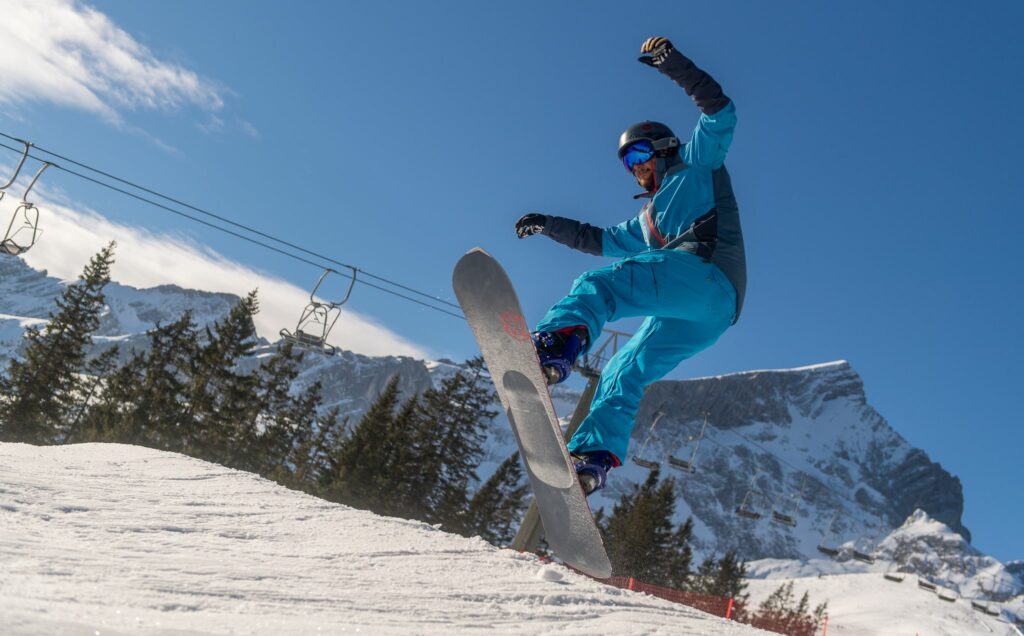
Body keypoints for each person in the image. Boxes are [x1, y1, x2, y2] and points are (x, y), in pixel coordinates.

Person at [515, 36, 746, 495]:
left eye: (640, 155)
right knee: (625, 369)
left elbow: (720, 112)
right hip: (706, 315)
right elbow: (597, 239)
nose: (636, 168)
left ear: (662, 149)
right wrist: (547, 224)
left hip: (707, 277)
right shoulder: (647, 222)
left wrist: (673, 64)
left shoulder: (696, 164)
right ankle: (593, 458)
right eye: (627, 163)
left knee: (602, 286)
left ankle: (559, 344)